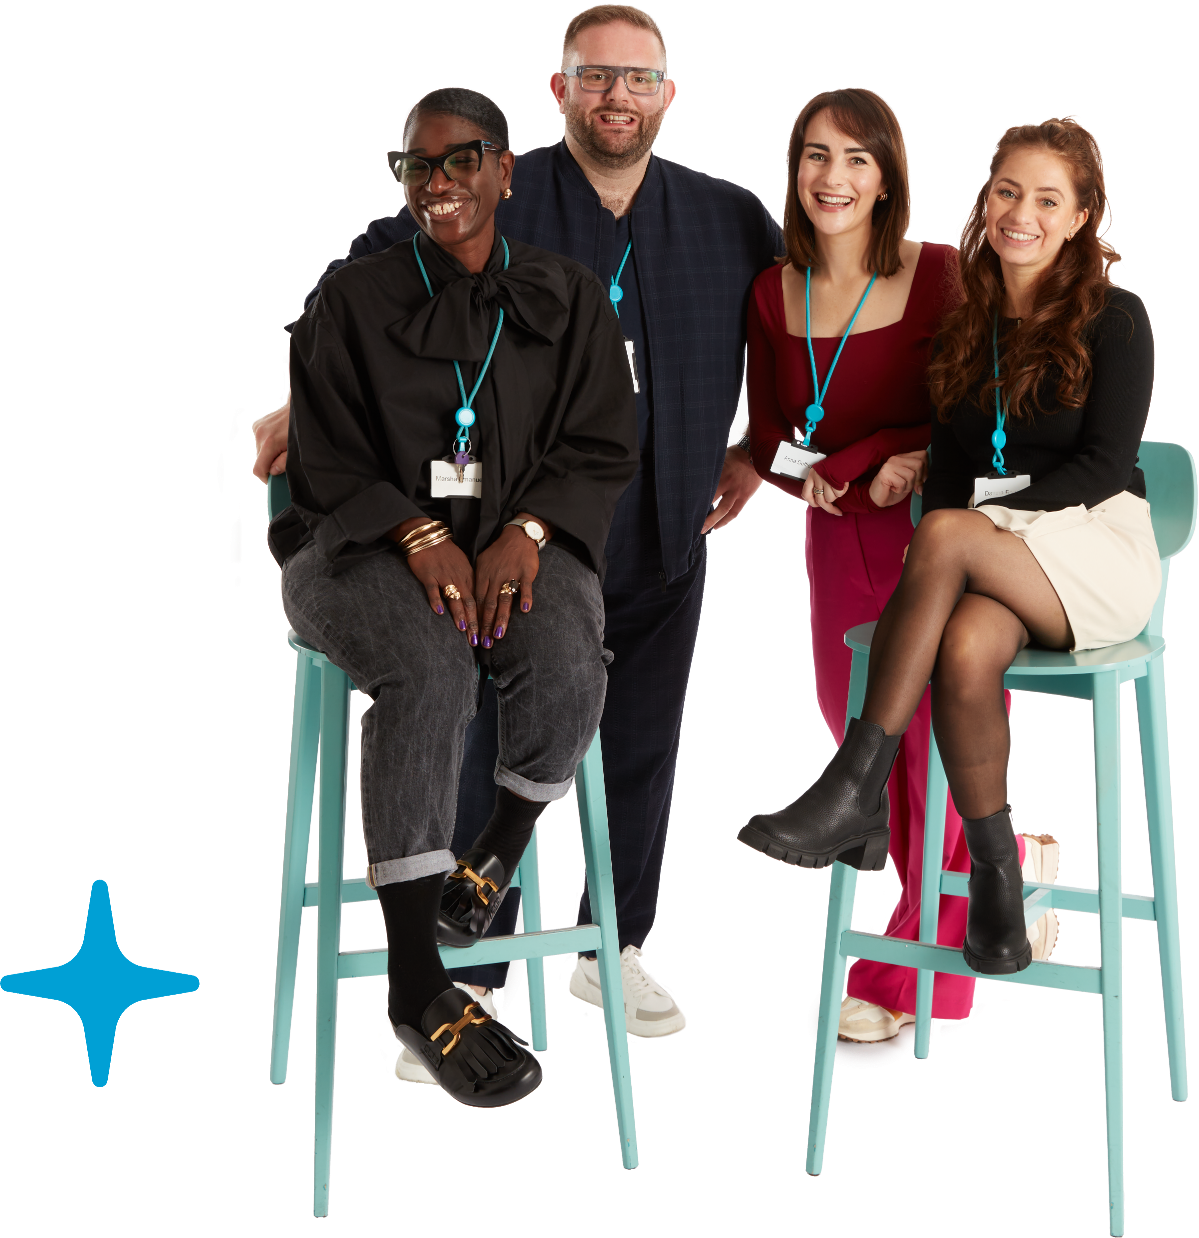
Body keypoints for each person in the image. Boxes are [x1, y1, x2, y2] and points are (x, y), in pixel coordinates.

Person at [253, 3, 783, 1074]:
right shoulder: (484, 199)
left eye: (637, 78)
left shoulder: (727, 216)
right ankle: (466, 963)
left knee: (634, 739)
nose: (616, 97)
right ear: (558, 89)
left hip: (644, 520)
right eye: (595, 76)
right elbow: (363, 286)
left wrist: (759, 447)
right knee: (455, 699)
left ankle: (611, 947)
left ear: (668, 91)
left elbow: (792, 322)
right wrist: (296, 401)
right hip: (476, 524)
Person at [269, 87, 639, 1106]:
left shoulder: (565, 297)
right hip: (356, 542)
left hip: (519, 536)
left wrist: (522, 529)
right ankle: (416, 982)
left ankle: (495, 852)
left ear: (506, 169)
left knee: (566, 651)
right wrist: (419, 533)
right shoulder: (350, 298)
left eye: (460, 160)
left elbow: (602, 442)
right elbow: (326, 459)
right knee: (428, 664)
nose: (438, 183)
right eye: (417, 166)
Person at [741, 114, 1155, 986]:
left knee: (943, 530)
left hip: (1091, 550)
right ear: (984, 199)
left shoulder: (1114, 317)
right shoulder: (967, 324)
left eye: (1048, 199)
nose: (1022, 214)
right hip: (999, 558)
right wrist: (918, 487)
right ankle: (999, 880)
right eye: (1008, 191)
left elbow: (1101, 467)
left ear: (1082, 216)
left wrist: (975, 516)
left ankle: (856, 784)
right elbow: (953, 473)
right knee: (963, 644)